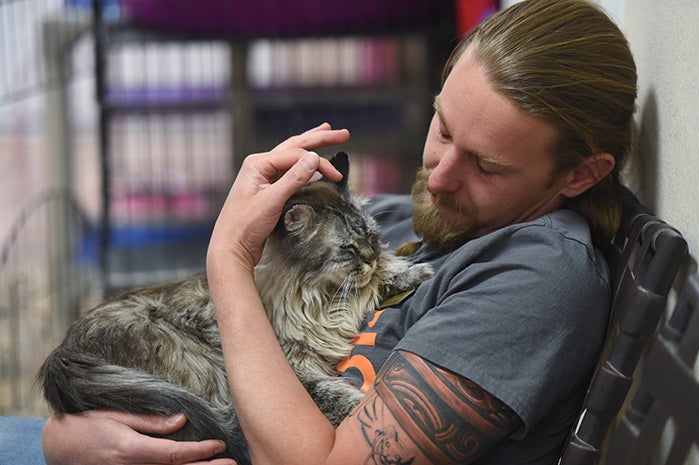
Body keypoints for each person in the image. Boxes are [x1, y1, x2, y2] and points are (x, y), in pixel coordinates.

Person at [29, 0, 639, 464]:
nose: (441, 175)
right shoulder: (421, 218)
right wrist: (66, 438)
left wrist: (229, 262)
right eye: (444, 128)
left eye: (487, 165)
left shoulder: (535, 277)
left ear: (580, 175)